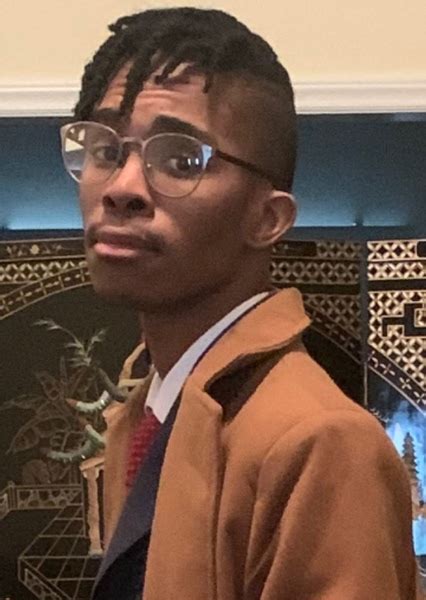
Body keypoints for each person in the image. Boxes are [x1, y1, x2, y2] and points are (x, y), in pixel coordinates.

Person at [60, 7, 418, 599]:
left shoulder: (317, 442)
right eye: (105, 149)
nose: (122, 187)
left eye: (180, 160)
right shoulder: (147, 415)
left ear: (267, 218)